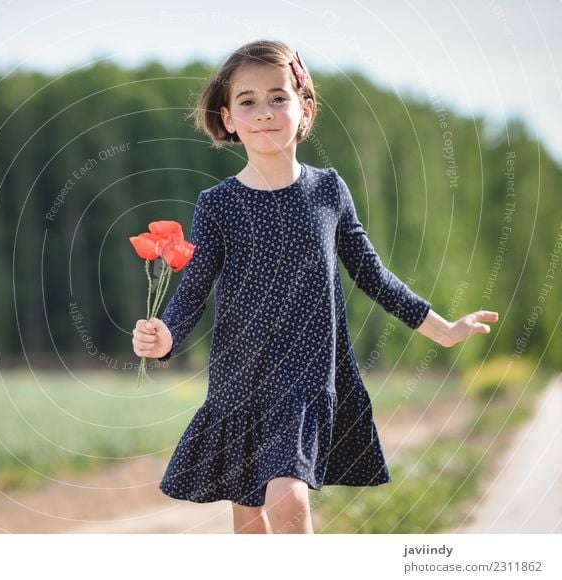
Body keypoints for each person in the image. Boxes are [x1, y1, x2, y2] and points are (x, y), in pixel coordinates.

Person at [131, 39, 498, 535]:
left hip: (305, 380)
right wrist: (165, 338)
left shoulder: (328, 191)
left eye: (277, 97)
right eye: (248, 101)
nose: (264, 112)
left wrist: (443, 329)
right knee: (251, 524)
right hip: (239, 383)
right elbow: (193, 291)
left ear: (303, 108)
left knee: (288, 502)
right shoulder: (217, 204)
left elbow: (372, 273)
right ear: (228, 117)